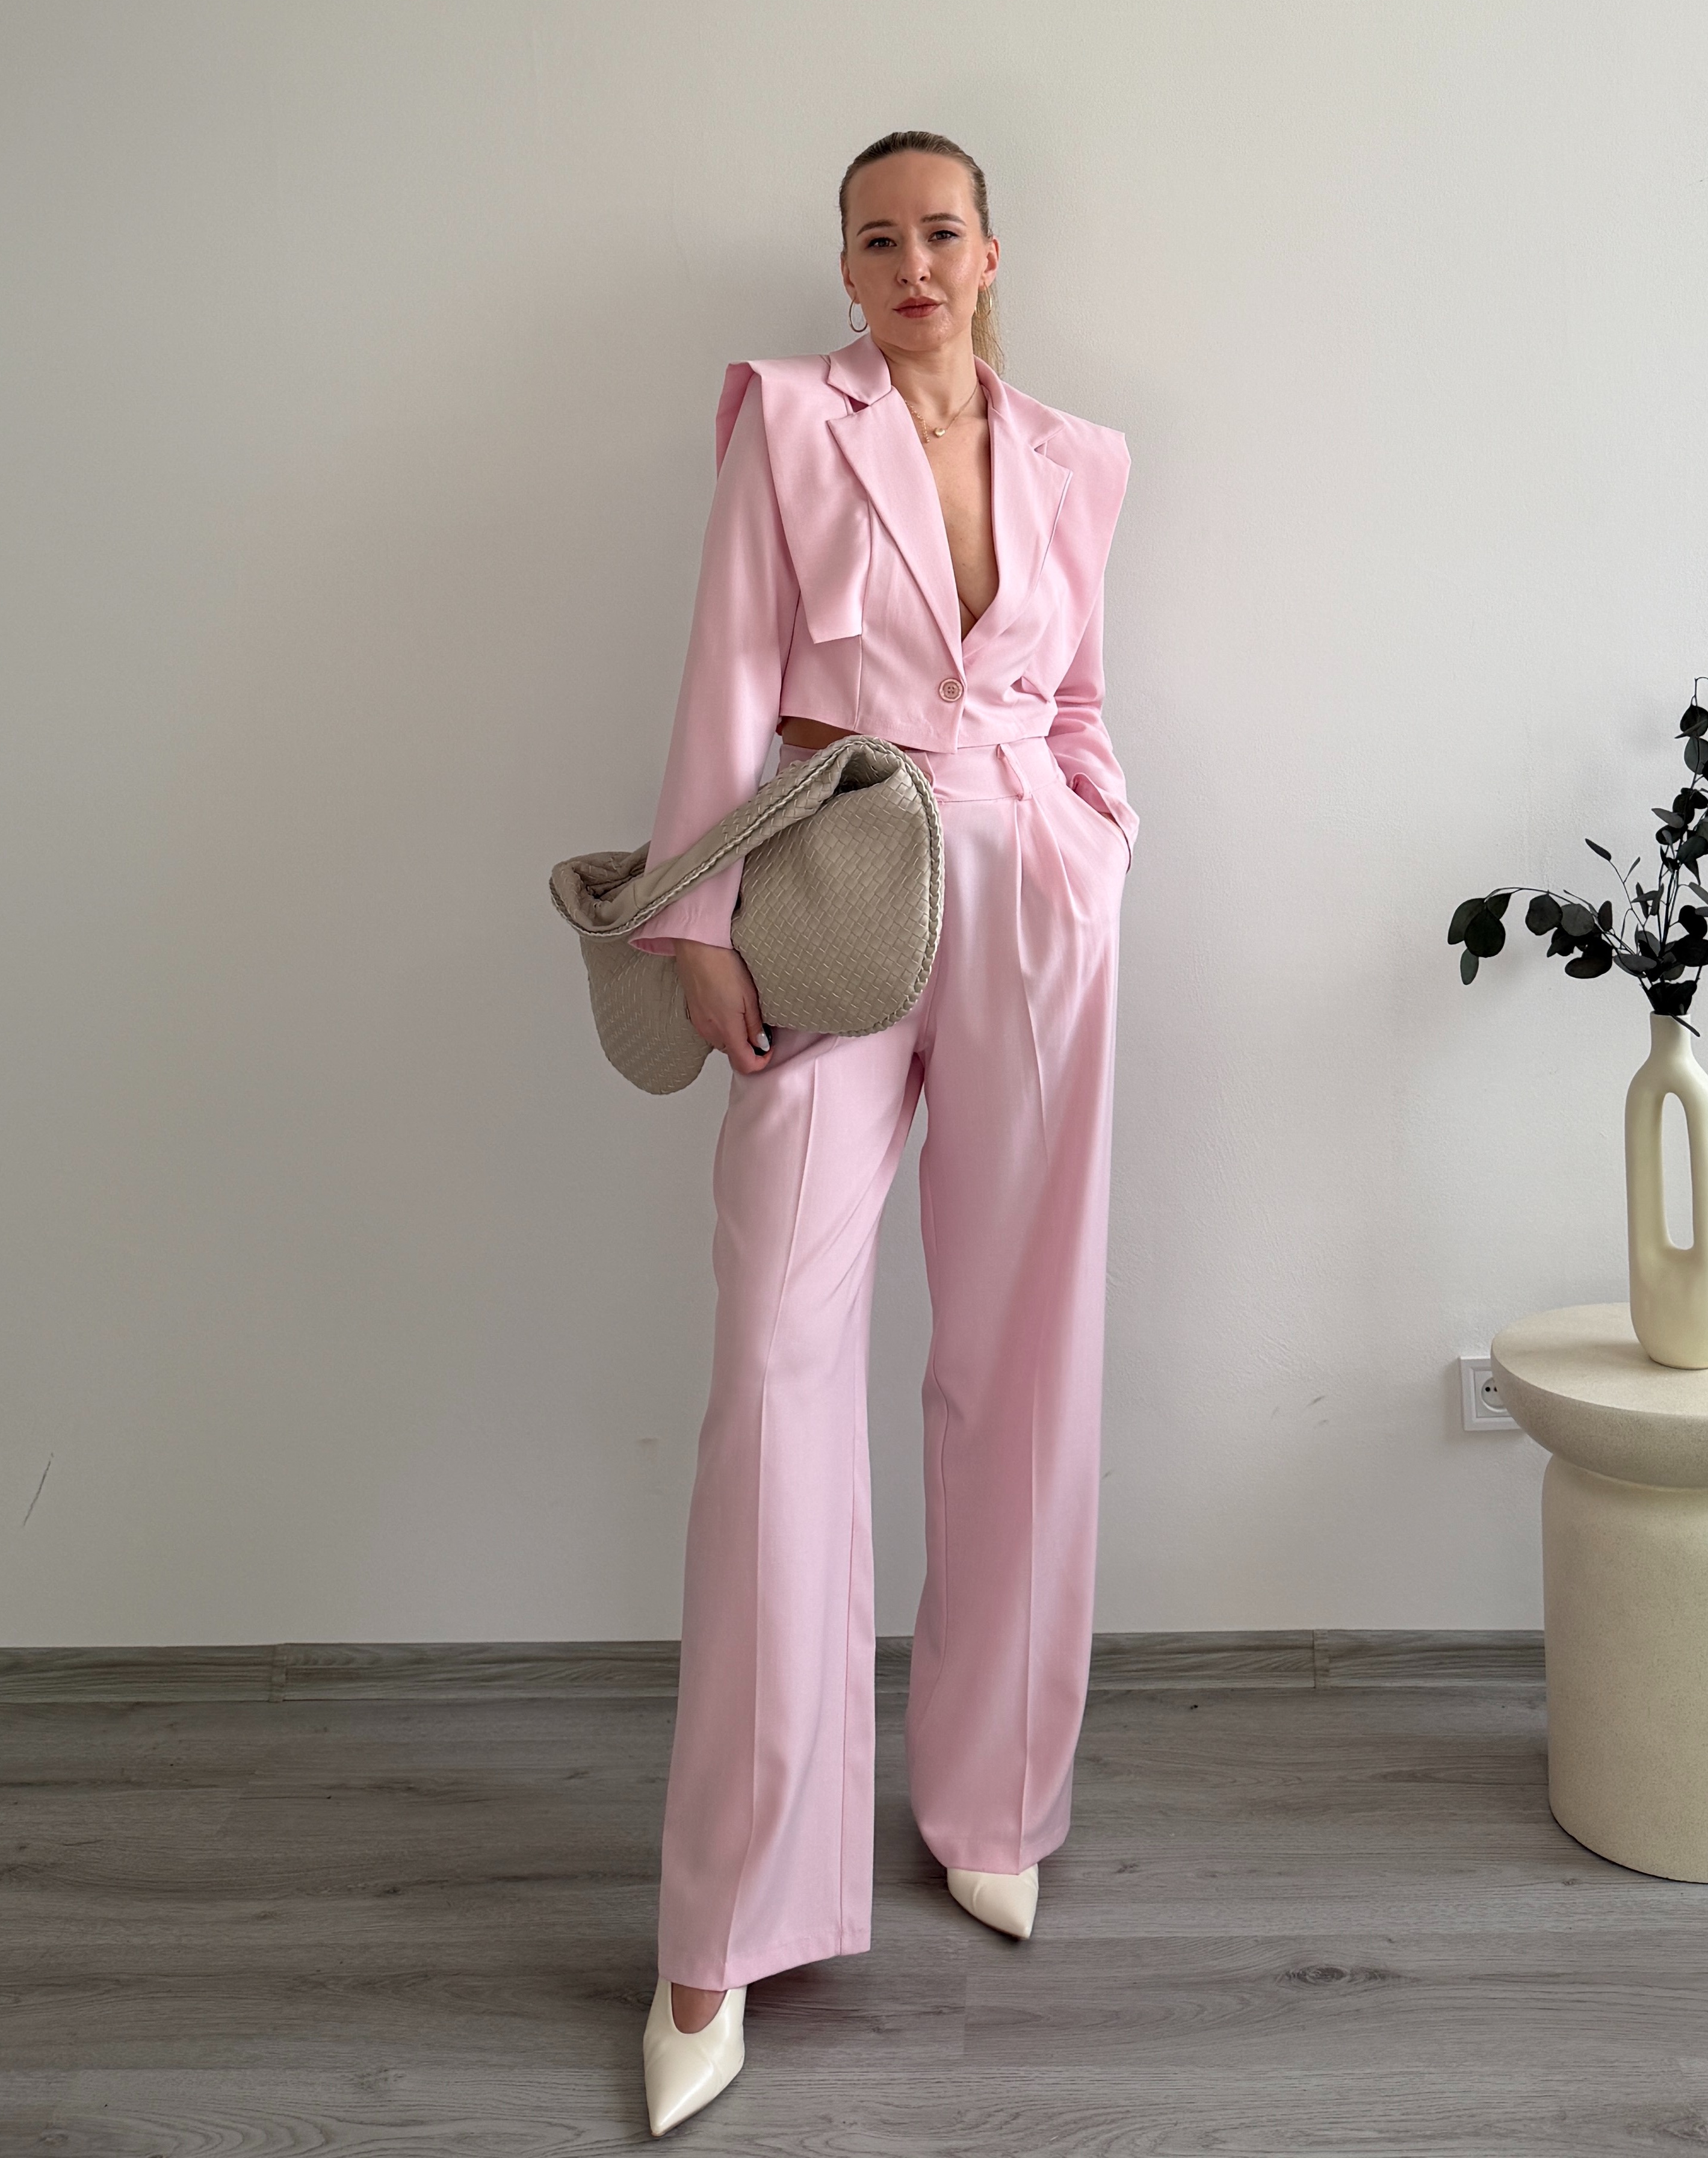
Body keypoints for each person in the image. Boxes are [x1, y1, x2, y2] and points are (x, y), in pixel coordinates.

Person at [634, 128, 1139, 2137]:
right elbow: (726, 676)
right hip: (834, 884)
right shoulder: (783, 419)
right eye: (875, 239)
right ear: (842, 270)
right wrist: (691, 921)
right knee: (776, 1363)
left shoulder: (1079, 459)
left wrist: (1095, 839)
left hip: (1036, 893)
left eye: (939, 231)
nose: (910, 262)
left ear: (988, 252)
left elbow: (1077, 692)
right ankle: (722, 1925)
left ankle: (993, 1799)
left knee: (1022, 1350)